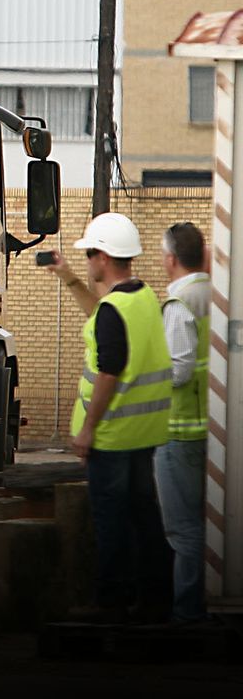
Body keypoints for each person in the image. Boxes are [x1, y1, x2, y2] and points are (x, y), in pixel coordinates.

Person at [42, 211, 173, 622]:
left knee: (111, 523)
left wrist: (89, 429)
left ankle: (111, 601)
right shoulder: (142, 297)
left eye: (89, 255)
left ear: (103, 256)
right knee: (144, 517)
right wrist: (68, 277)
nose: (87, 262)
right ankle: (154, 598)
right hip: (144, 433)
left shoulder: (116, 310)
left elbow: (109, 372)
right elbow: (100, 315)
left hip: (113, 436)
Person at [156, 221, 210, 623]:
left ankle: (187, 614)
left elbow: (178, 370)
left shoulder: (180, 303)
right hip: (212, 429)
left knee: (184, 530)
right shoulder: (218, 293)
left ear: (171, 259)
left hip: (180, 432)